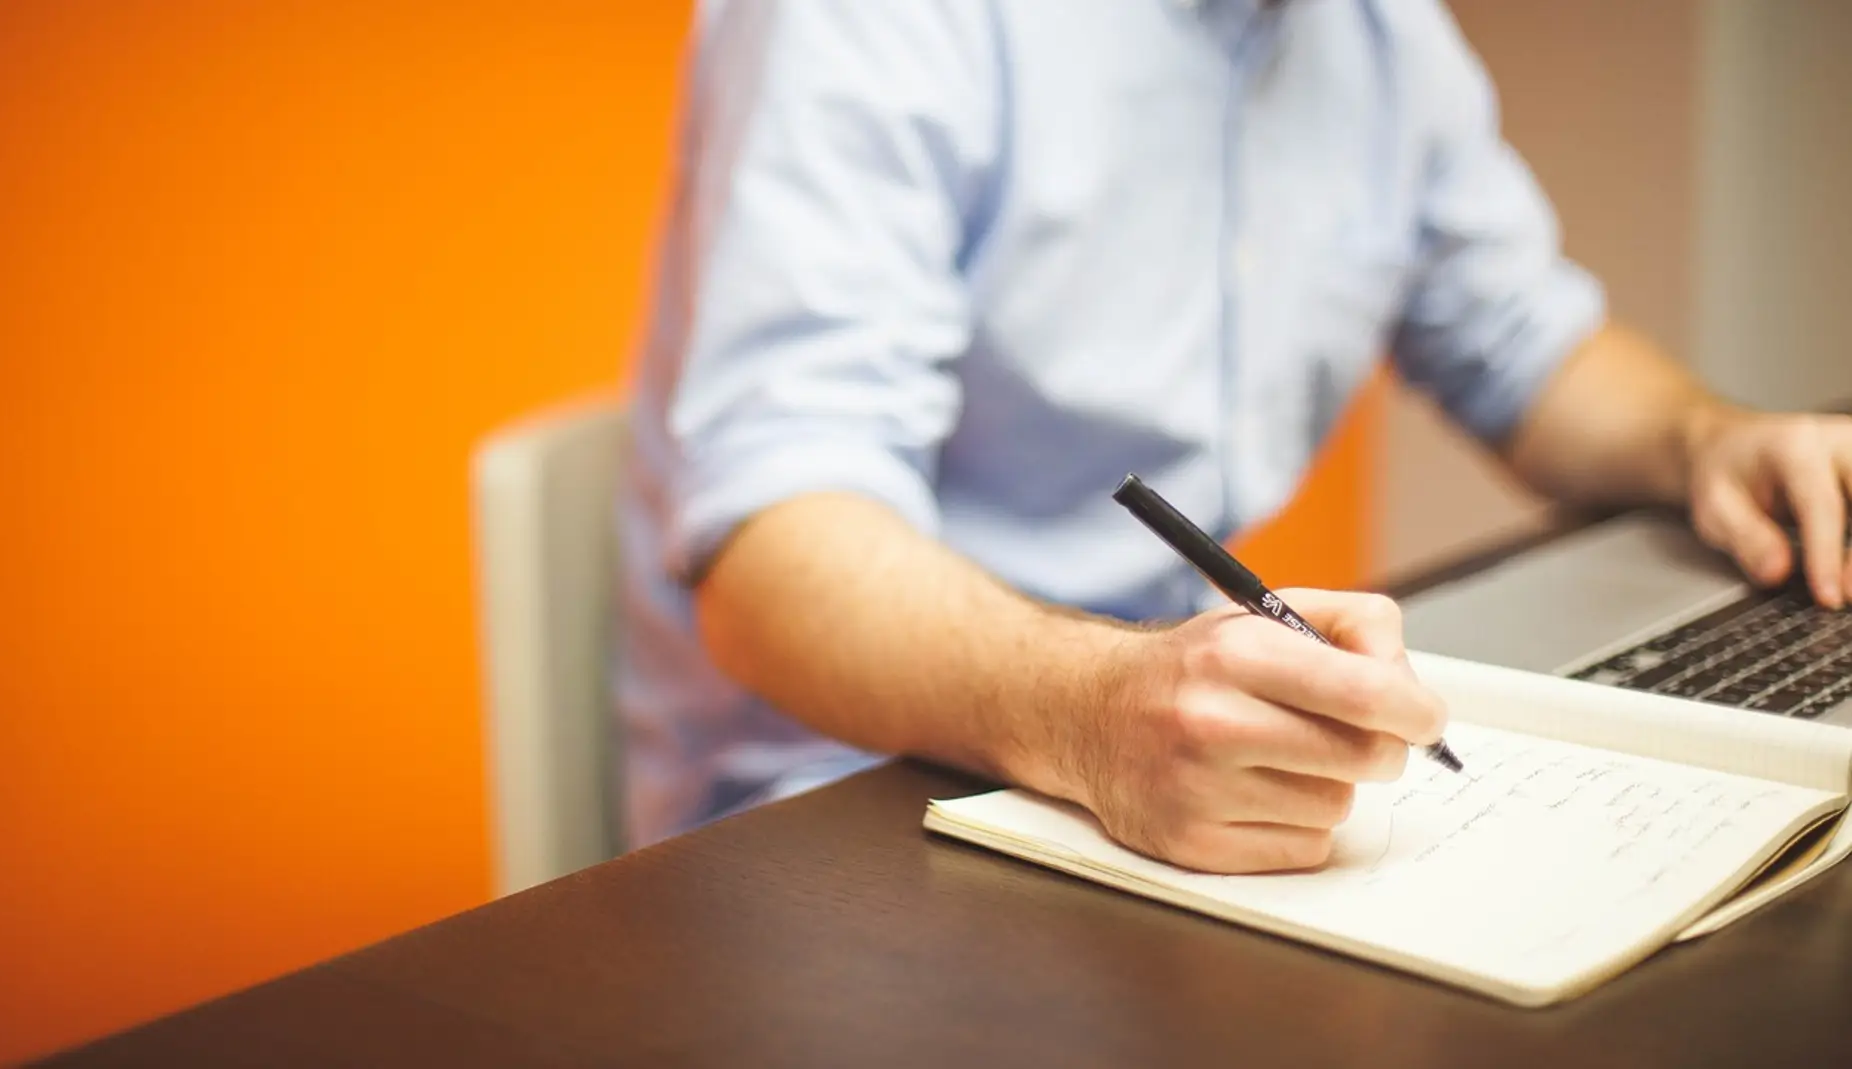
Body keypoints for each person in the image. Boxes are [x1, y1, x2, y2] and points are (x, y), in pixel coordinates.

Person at [613, 0, 1852, 868]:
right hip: (841, 814)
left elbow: (1521, 343)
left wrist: (1705, 440)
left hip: (1162, 748)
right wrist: (1096, 713)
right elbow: (771, 555)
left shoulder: (1375, 35)